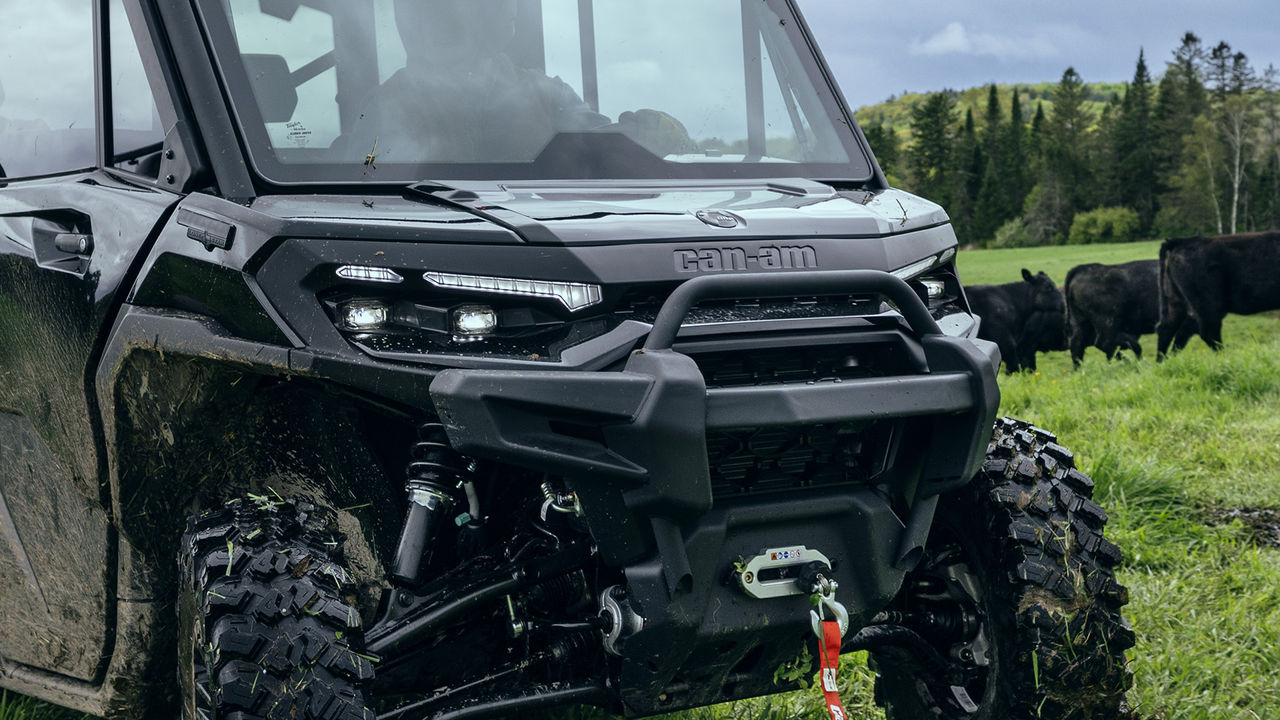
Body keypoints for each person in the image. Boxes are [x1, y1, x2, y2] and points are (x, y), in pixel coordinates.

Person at [344, 0, 693, 165]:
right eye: (493, 5)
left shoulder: (546, 93)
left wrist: (641, 134)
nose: (508, 8)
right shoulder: (388, 106)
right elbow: (367, 198)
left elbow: (593, 144)